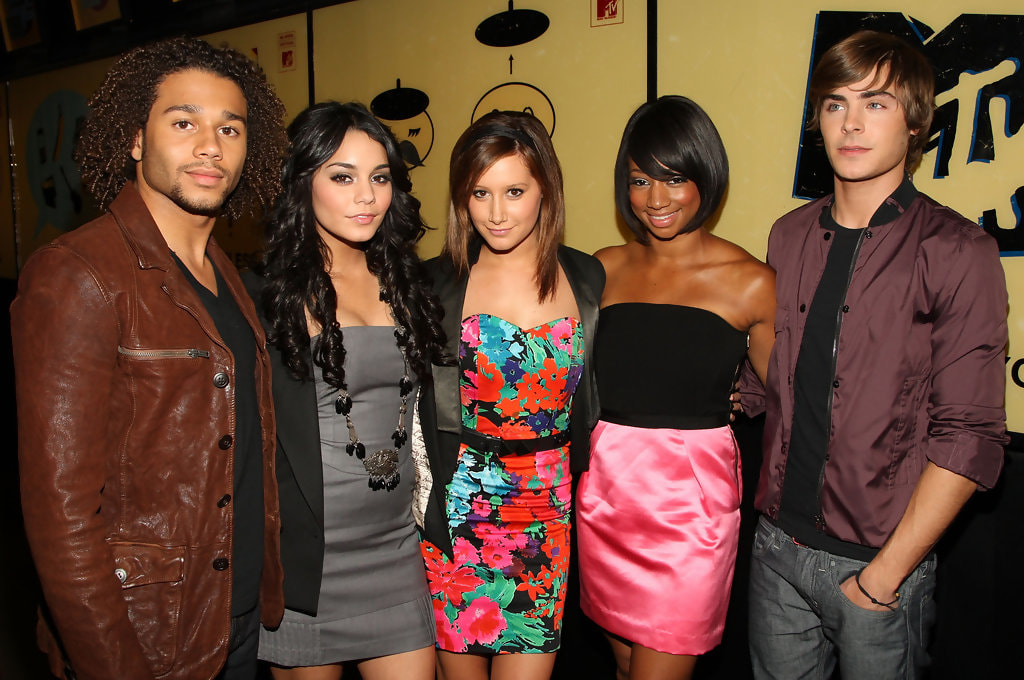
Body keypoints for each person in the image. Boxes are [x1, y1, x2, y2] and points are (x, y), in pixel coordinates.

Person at [10, 37, 287, 680]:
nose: (210, 146)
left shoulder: (223, 271)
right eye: (184, 122)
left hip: (233, 617)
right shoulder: (78, 273)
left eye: (230, 128)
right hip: (148, 637)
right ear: (135, 139)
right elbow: (60, 519)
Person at [744, 30, 1008, 680]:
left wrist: (885, 576)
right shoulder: (788, 235)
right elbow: (771, 376)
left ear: (915, 123)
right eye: (835, 103)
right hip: (775, 550)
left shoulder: (956, 250)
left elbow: (970, 435)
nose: (852, 123)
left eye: (876, 103)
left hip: (877, 568)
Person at [573, 96, 775, 680]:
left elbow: (787, 394)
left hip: (690, 512)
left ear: (706, 177)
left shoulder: (751, 282)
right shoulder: (602, 268)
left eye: (675, 179)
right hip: (606, 497)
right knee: (623, 667)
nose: (656, 200)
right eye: (641, 181)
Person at [247, 101, 446, 679]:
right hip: (309, 562)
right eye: (342, 177)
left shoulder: (408, 281)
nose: (366, 197)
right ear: (302, 183)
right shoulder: (269, 295)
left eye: (379, 178)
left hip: (396, 549)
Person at [416, 111, 604, 680]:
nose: (496, 213)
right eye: (480, 193)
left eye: (515, 191)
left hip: (547, 511)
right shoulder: (433, 284)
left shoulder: (588, 278)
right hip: (459, 507)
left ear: (546, 188)